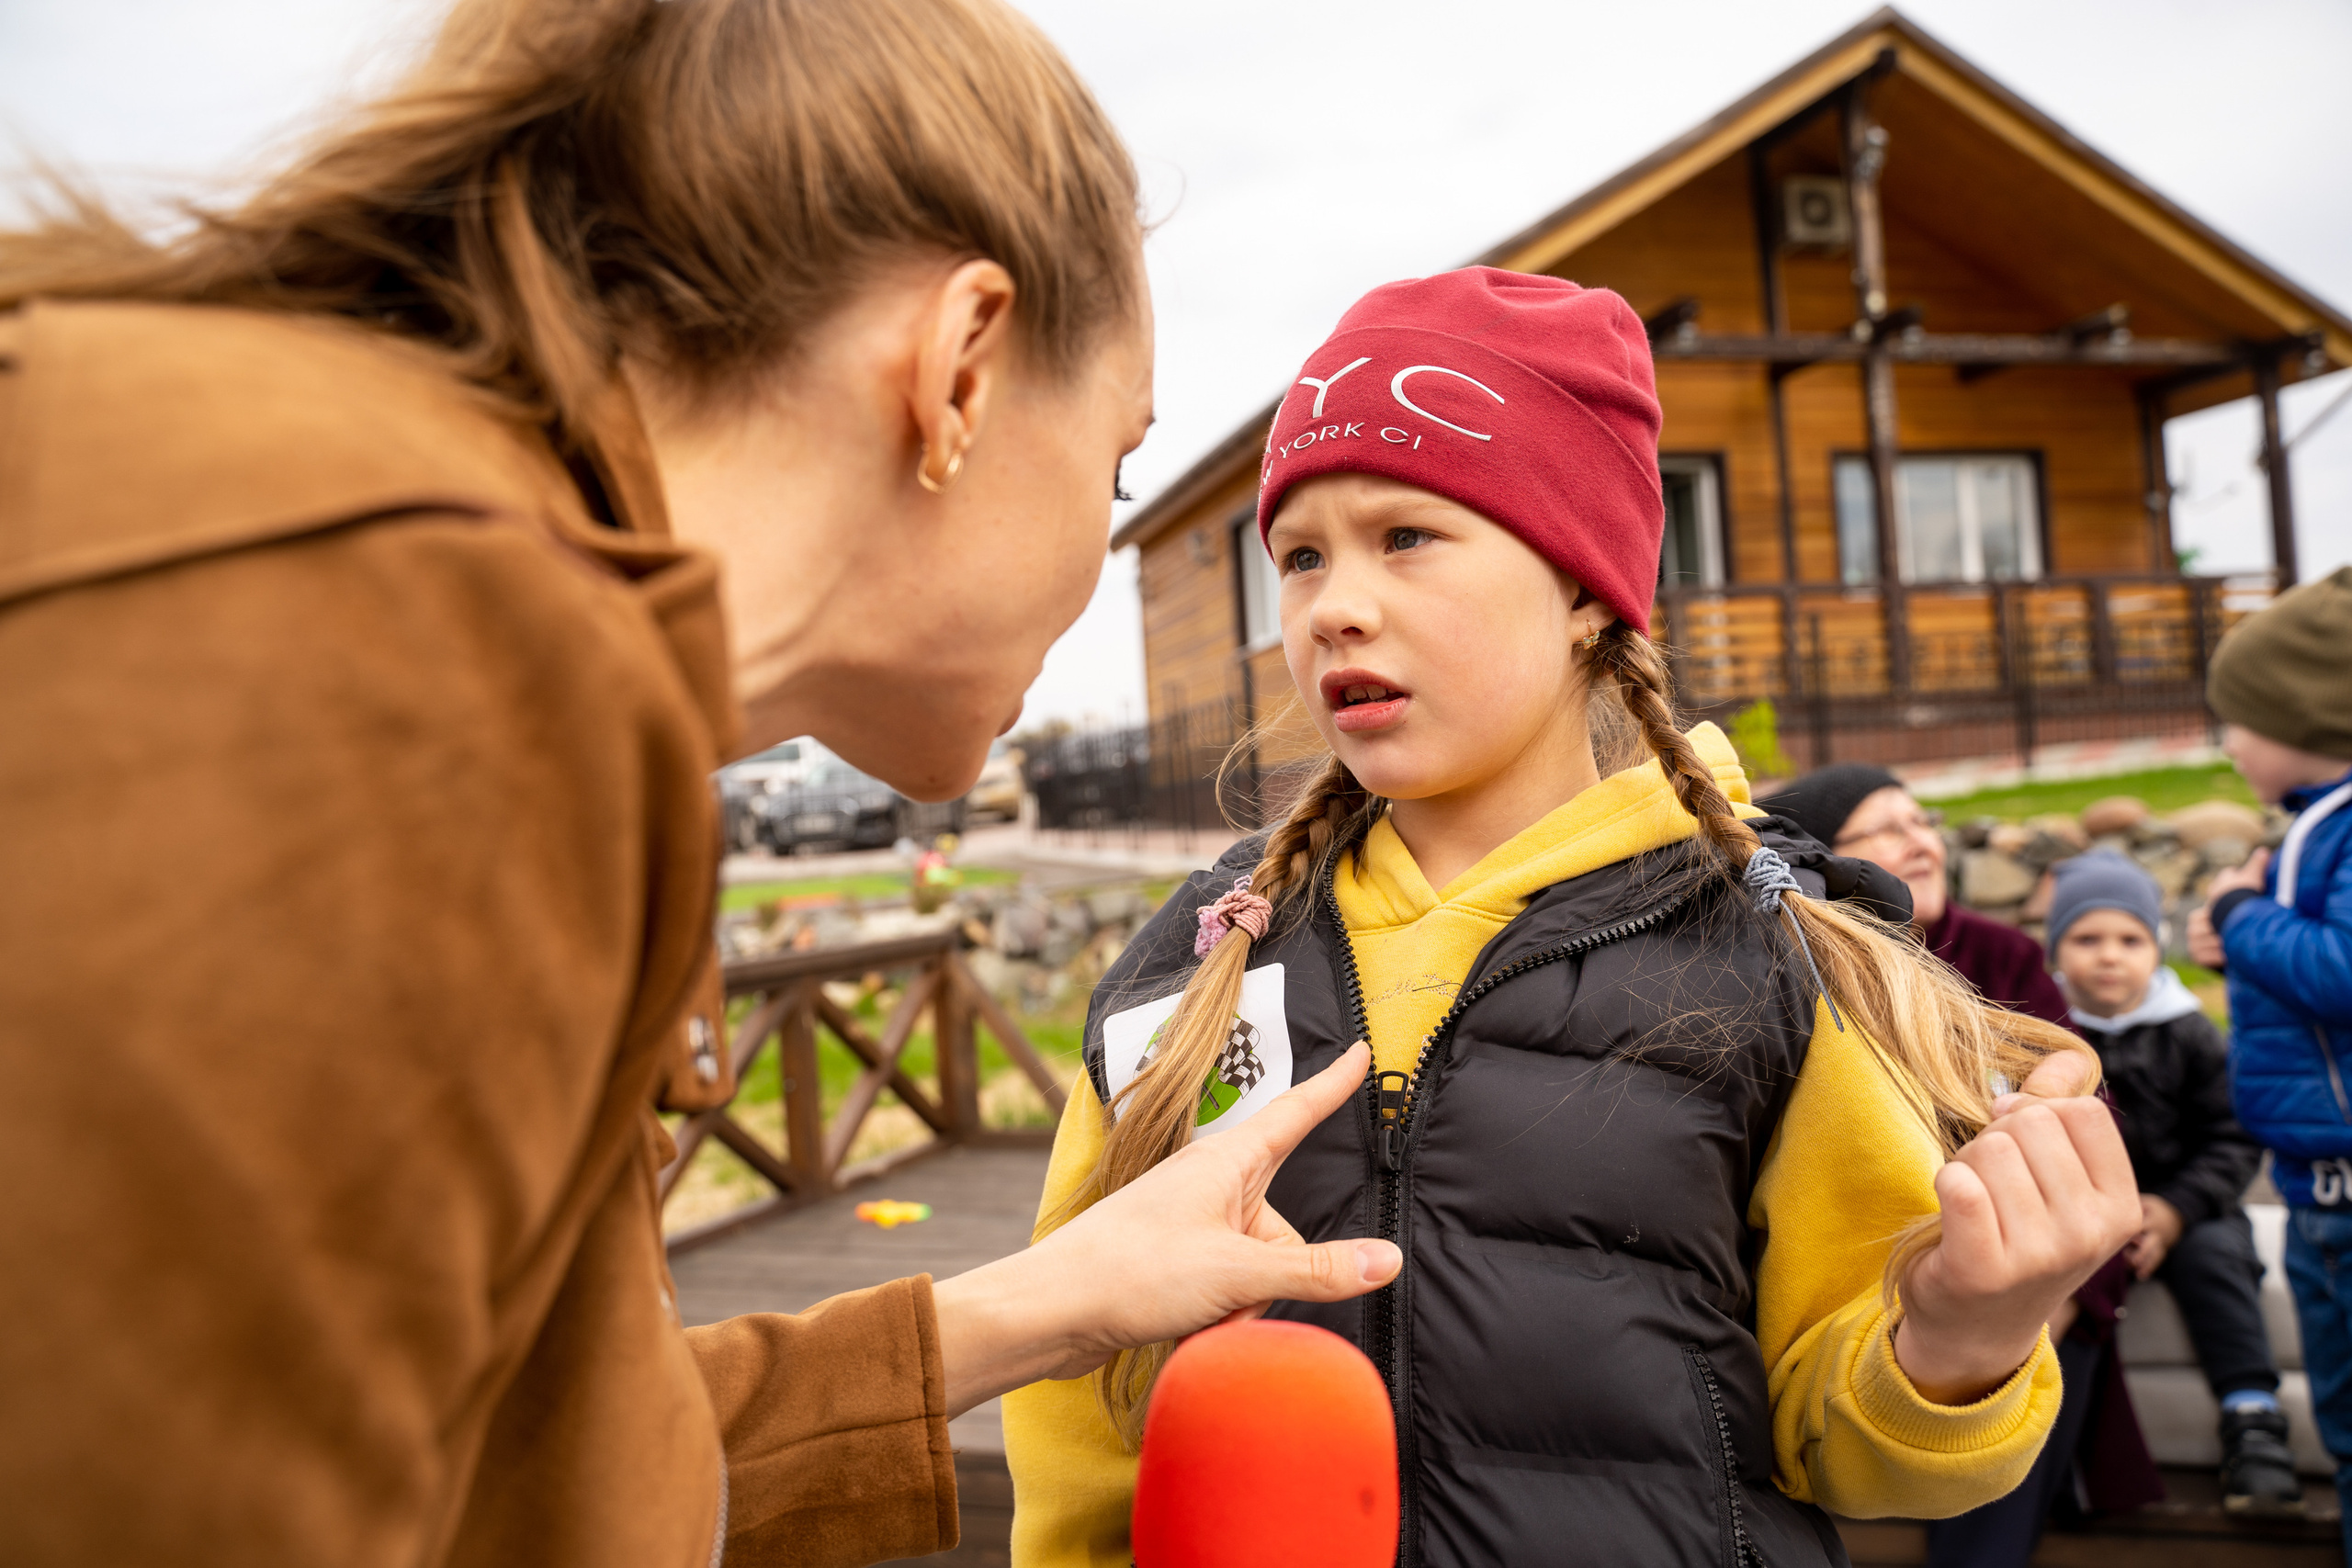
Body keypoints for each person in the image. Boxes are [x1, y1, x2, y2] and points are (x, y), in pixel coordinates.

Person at [0, 3, 1407, 1562]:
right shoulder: (415, 658)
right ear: (961, 370)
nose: (1103, 535)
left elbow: (528, 1472)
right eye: (1122, 461)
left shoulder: (416, 594)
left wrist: (1050, 1298)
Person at [1001, 269, 2142, 1566]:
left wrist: (1964, 1333)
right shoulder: (1193, 958)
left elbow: (1862, 1446)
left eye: (1408, 536)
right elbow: (1077, 1395)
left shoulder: (1773, 945)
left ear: (1589, 588)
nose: (1334, 605)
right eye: (1301, 556)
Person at [2047, 852, 2299, 1512]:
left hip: (2185, 1204)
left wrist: (2176, 1209)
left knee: (2218, 1257)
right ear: (2055, 948)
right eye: (2086, 938)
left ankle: (2252, 1416)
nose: (2109, 956)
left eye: (2130, 939)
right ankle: (2058, 1448)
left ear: (2157, 948)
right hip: (2085, 1208)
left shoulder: (2189, 1032)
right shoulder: (2048, 1036)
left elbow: (2233, 1136)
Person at [2188, 565, 2352, 1551]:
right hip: (2318, 1183)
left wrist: (2242, 916)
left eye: (2237, 721)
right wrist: (2240, 931)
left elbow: (2340, 971)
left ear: (2305, 720)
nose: (2229, 743)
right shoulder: (2317, 830)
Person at [1762, 762, 2072, 1029]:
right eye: (1887, 830)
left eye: (1922, 822)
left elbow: (2086, 1084)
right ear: (1825, 864)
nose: (1922, 843)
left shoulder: (2005, 955)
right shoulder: (1798, 980)